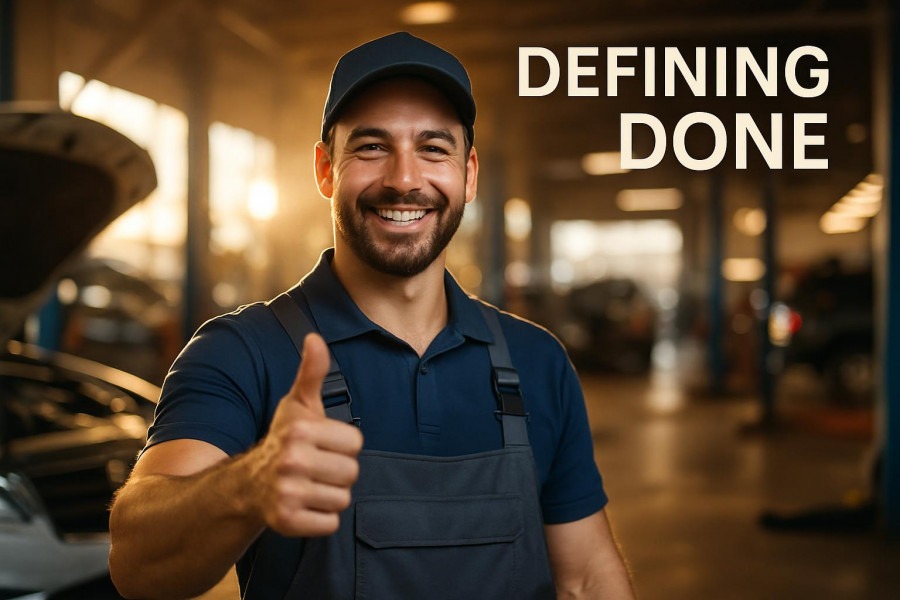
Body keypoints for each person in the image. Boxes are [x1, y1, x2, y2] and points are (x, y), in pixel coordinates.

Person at [109, 32, 635, 599]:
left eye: (433, 148)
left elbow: (586, 579)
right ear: (325, 169)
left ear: (470, 174)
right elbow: (136, 561)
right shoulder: (243, 351)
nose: (404, 179)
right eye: (371, 147)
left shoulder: (537, 361)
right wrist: (249, 485)